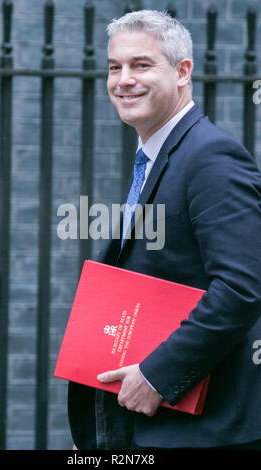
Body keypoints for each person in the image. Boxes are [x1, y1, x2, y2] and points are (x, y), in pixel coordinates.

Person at [68, 10, 261, 450]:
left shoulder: (211, 158)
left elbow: (242, 287)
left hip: (205, 432)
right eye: (115, 67)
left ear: (182, 72)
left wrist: (158, 375)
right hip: (155, 427)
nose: (123, 80)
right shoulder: (160, 155)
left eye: (141, 65)